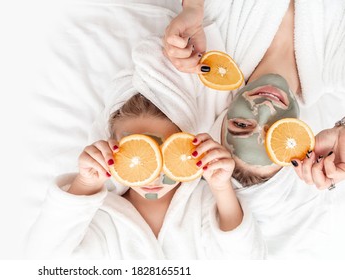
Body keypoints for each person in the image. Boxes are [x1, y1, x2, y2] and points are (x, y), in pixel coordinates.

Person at [24, 37, 265, 259]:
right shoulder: (99, 216)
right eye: (135, 152)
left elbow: (247, 262)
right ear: (111, 149)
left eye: (165, 153)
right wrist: (84, 186)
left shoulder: (205, 205)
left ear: (186, 146)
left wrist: (222, 188)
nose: (154, 173)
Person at [165, 0, 345, 190]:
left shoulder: (215, 36)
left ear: (226, 113)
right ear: (299, 138)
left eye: (241, 124)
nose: (265, 109)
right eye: (275, 131)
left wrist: (193, 6)